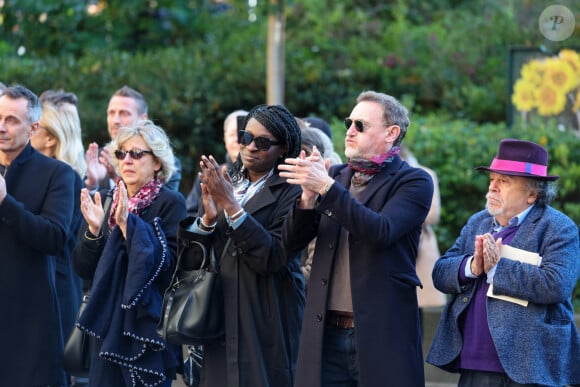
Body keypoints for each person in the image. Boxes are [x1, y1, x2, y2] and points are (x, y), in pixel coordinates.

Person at [279, 90, 433, 387]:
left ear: (391, 133)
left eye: (360, 125)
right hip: (325, 332)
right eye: (349, 122)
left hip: (381, 334)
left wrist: (325, 188)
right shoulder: (335, 176)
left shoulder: (414, 181)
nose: (349, 130)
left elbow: (380, 231)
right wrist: (308, 199)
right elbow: (289, 244)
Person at [427, 138, 580, 387]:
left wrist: (497, 268)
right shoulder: (478, 221)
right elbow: (441, 272)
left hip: (532, 366)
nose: (493, 188)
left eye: (504, 181)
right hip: (475, 362)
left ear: (533, 194)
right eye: (492, 180)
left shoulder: (559, 228)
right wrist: (473, 267)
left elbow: (557, 284)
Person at [180, 104, 305, 386]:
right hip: (220, 310)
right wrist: (208, 219)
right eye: (245, 138)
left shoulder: (293, 190)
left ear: (283, 149)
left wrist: (233, 208)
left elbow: (273, 256)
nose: (249, 147)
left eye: (262, 142)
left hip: (265, 311)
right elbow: (191, 258)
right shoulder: (228, 181)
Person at [72, 120, 187, 386]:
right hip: (108, 323)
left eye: (137, 153)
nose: (127, 160)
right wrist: (94, 229)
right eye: (122, 154)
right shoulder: (107, 199)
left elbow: (169, 267)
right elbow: (83, 267)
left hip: (146, 323)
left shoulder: (170, 202)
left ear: (157, 162)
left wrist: (127, 225)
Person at [0, 84, 77, 385]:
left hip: (30, 317)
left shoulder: (57, 174)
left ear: (32, 128)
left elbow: (54, 238)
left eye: (11, 120)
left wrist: (7, 204)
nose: (1, 127)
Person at [32, 96, 87, 385]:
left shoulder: (65, 179)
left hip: (59, 289)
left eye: (34, 128)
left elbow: (54, 238)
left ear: (51, 139)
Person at [84, 85, 182, 192]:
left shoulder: (163, 160)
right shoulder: (94, 159)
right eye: (111, 113)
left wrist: (116, 177)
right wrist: (92, 184)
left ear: (143, 119)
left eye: (124, 113)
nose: (115, 120)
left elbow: (163, 203)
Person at [399, 145, 446, 310]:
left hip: (420, 241)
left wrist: (403, 216)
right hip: (393, 241)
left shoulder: (426, 174)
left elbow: (434, 214)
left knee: (419, 302)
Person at [185, 109, 248, 216]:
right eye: (232, 134)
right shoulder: (209, 175)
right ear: (224, 139)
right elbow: (190, 214)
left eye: (242, 134)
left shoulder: (262, 178)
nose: (237, 140)